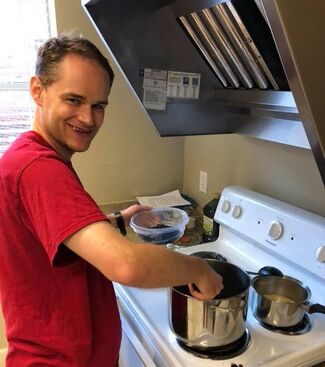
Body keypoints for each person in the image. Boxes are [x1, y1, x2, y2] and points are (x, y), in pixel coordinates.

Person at [0, 34, 223, 366]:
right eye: (73, 100)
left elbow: (53, 236)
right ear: (37, 91)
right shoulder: (40, 169)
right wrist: (198, 268)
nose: (88, 119)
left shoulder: (27, 157)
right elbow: (126, 265)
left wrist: (117, 221)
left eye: (98, 105)